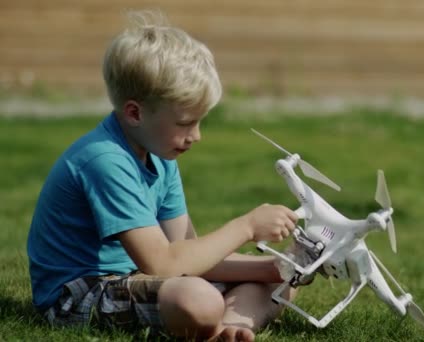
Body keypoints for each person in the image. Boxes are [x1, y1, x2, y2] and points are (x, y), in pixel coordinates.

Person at [27, 10, 299, 341]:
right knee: (197, 299)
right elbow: (163, 264)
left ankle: (230, 330)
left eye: (199, 122)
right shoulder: (105, 160)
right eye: (185, 123)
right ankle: (217, 320)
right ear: (134, 113)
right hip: (81, 292)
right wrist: (247, 226)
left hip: (139, 277)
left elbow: (189, 254)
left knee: (280, 284)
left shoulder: (159, 153)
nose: (196, 135)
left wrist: (279, 268)